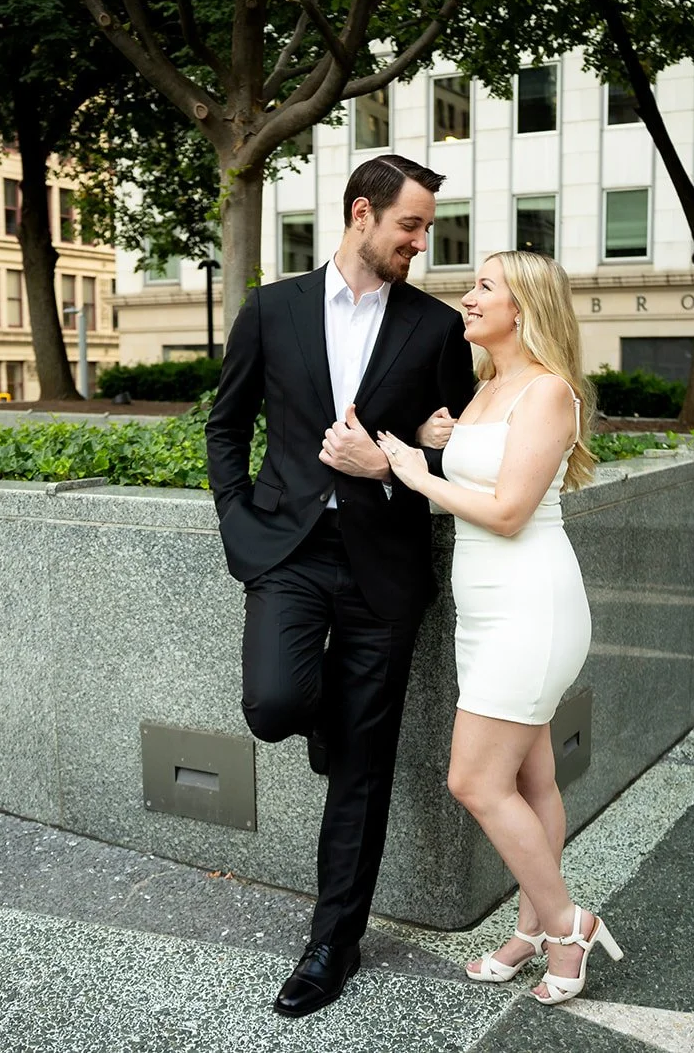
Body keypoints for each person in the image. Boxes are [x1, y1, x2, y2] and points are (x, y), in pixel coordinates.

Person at [205, 154, 476, 1018]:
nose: (421, 243)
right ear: (364, 214)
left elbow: (466, 448)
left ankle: (333, 941)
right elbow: (227, 424)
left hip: (385, 566)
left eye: (426, 228)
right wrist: (240, 522)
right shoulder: (272, 309)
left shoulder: (434, 328)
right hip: (288, 550)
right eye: (411, 226)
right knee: (274, 704)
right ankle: (321, 721)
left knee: (365, 764)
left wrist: (416, 453)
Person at [377, 250, 623, 1006]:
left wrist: (420, 475)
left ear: (524, 307)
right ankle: (529, 932)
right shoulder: (489, 386)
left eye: (485, 286)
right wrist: (436, 440)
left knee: (474, 778)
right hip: (487, 609)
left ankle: (565, 921)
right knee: (531, 777)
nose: (467, 296)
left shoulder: (548, 391)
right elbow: (481, 471)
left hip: (530, 604)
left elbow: (512, 512)